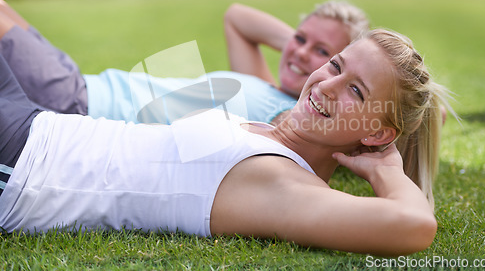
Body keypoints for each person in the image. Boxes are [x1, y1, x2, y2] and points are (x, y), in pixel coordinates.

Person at [0, 28, 452, 256]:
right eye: (335, 65)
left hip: (24, 165)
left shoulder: (283, 185)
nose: (327, 84)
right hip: (38, 123)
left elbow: (411, 224)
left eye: (357, 91)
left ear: (375, 132)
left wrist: (387, 168)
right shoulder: (269, 131)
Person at [0, 0, 369, 125]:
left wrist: (326, 67)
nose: (301, 52)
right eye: (299, 38)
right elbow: (236, 17)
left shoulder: (290, 118)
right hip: (81, 80)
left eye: (323, 53)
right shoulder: (262, 81)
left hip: (79, 104)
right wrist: (304, 51)